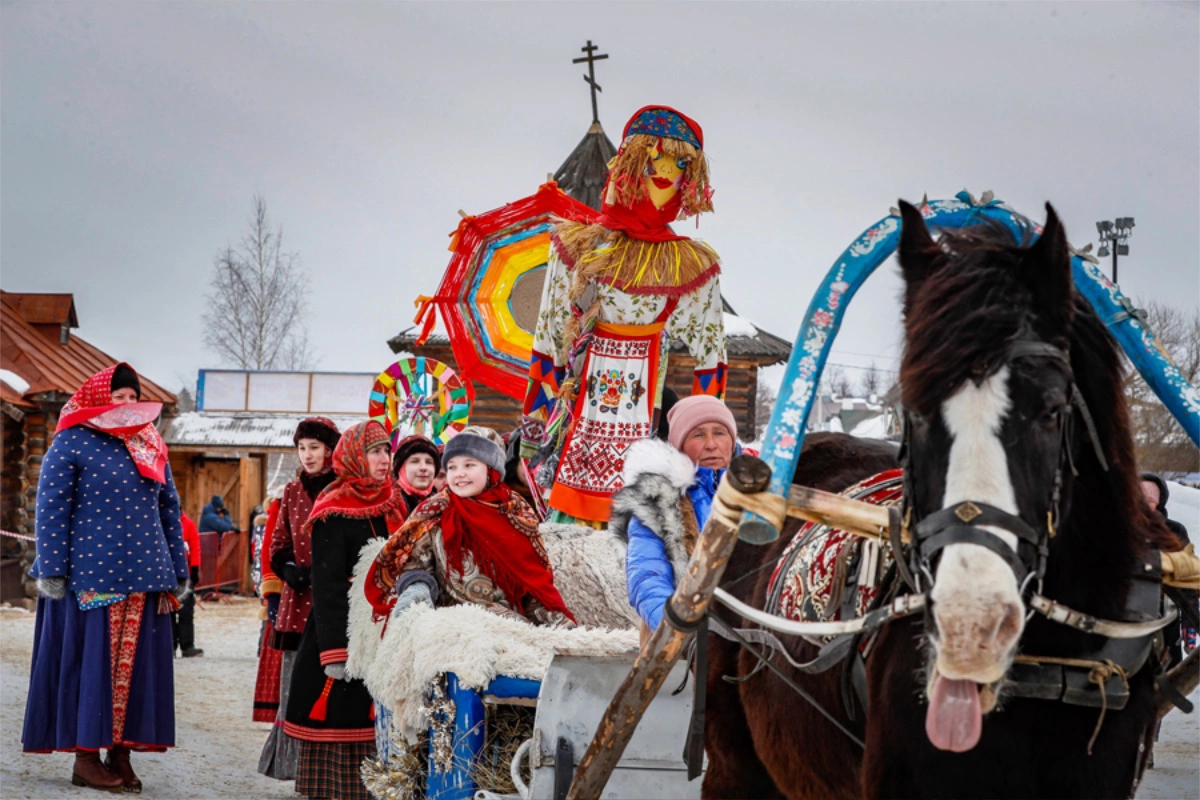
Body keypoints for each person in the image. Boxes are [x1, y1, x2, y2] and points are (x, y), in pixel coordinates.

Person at [521, 105, 728, 526]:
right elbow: (547, 342)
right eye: (654, 159)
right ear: (631, 165)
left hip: (648, 423)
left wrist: (708, 444)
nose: (666, 171)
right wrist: (533, 432)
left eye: (680, 163)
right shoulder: (575, 248)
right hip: (576, 423)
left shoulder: (690, 265)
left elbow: (712, 360)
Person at [22, 363, 190, 792]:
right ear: (99, 398)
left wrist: (177, 570)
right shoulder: (71, 441)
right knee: (92, 665)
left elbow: (169, 508)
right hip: (92, 575)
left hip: (147, 576)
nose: (128, 405)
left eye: (134, 397)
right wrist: (53, 571)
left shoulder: (149, 442)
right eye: (119, 397)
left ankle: (121, 753)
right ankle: (85, 757)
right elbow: (51, 510)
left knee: (135, 670)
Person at [284, 421, 401, 800]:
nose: (383, 460)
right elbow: (328, 586)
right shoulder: (333, 509)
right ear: (353, 456)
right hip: (344, 633)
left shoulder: (394, 502)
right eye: (374, 452)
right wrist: (334, 650)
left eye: (386, 451)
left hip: (387, 630)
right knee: (342, 718)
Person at [366, 431, 575, 627]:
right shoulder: (435, 510)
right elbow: (414, 562)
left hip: (509, 620)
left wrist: (554, 620)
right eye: (452, 467)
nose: (459, 474)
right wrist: (417, 589)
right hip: (453, 619)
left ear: (491, 470)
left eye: (469, 465)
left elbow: (533, 579)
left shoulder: (515, 512)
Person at [258, 416, 341, 780]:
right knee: (293, 683)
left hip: (331, 599)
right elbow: (278, 541)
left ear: (330, 450)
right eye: (302, 448)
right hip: (297, 600)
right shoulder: (291, 492)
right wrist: (286, 566)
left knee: (325, 682)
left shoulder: (344, 489)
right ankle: (289, 761)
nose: (308, 455)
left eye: (315, 447)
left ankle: (320, 765)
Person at [613, 395, 738, 633]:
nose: (711, 444)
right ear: (680, 445)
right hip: (681, 637)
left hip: (749, 637)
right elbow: (647, 575)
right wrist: (675, 628)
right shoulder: (657, 500)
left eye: (720, 433)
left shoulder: (760, 494)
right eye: (698, 435)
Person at [172, 509, 204, 657]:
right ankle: (169, 646)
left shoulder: (189, 524)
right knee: (168, 612)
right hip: (168, 572)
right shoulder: (161, 521)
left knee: (186, 612)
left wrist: (195, 568)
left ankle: (187, 645)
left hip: (185, 574)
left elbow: (195, 547)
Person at [390, 434, 441, 514]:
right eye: (415, 461)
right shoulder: (387, 505)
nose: (423, 467)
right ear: (401, 468)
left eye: (429, 462)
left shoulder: (444, 505)